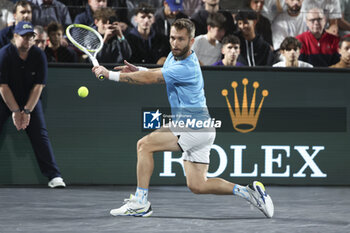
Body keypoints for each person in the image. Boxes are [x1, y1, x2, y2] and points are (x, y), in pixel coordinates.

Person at [91, 18, 274, 218]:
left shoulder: (187, 67)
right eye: (172, 38)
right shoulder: (173, 56)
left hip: (192, 126)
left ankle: (140, 202)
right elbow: (156, 73)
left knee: (144, 145)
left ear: (192, 41)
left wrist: (109, 75)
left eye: (180, 39)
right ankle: (249, 192)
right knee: (198, 185)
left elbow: (152, 79)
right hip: (202, 127)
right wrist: (139, 70)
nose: (175, 43)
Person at [0, 21, 65, 188]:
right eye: (24, 36)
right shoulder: (4, 55)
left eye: (31, 37)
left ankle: (54, 176)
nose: (28, 40)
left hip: (30, 99)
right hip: (4, 98)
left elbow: (38, 86)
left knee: (40, 134)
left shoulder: (38, 55)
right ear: (15, 37)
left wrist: (27, 111)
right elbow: (3, 86)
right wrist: (15, 111)